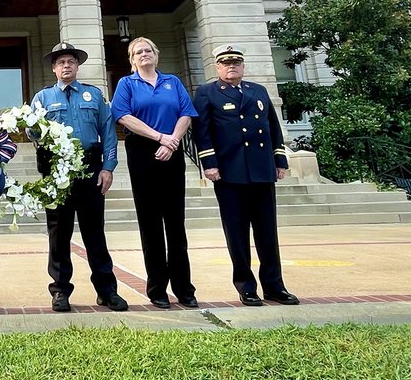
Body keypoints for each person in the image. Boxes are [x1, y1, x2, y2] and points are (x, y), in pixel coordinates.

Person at [192, 44, 300, 307]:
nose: (231, 66)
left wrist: (279, 160)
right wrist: (210, 164)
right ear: (217, 66)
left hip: (262, 171)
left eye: (236, 62)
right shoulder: (207, 93)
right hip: (230, 173)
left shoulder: (258, 91)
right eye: (226, 63)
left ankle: (275, 286)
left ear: (243, 65)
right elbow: (202, 132)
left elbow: (272, 127)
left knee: (267, 233)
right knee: (238, 235)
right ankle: (246, 287)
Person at [30, 42, 127, 313]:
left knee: (95, 233)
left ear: (77, 65)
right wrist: (31, 128)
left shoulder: (93, 95)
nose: (66, 66)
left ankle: (107, 291)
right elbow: (33, 135)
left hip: (90, 169)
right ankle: (60, 291)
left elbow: (108, 132)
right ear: (53, 68)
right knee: (59, 234)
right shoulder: (42, 98)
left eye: (71, 61)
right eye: (61, 62)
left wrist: (108, 167)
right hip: (56, 171)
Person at [111, 36, 199, 309]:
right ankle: (157, 289)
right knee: (150, 226)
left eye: (148, 50)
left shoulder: (172, 81)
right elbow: (123, 116)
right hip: (142, 154)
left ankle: (184, 289)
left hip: (172, 154)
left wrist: (172, 140)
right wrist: (159, 137)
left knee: (176, 225)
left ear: (156, 55)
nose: (144, 54)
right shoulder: (127, 84)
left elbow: (186, 112)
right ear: (132, 59)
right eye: (138, 52)